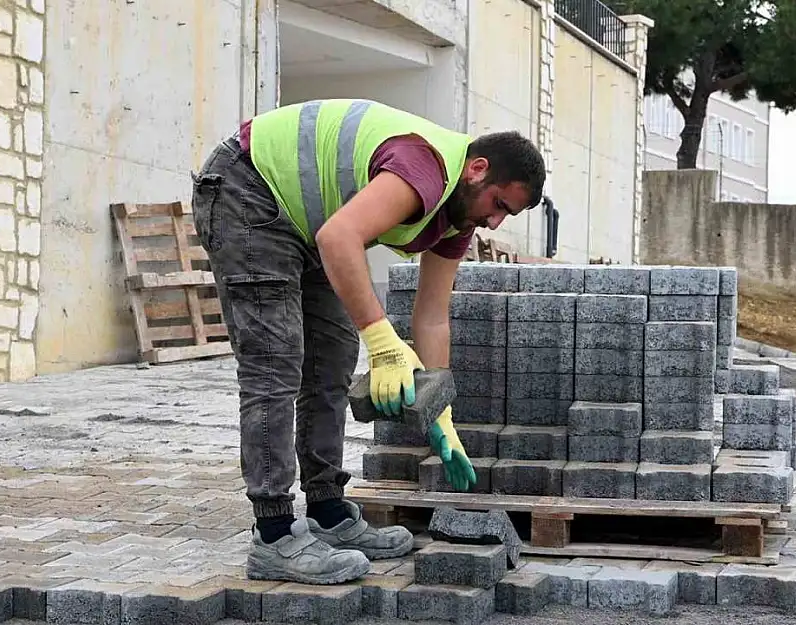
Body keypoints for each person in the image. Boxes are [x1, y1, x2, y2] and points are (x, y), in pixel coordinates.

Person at [190, 98, 546, 585]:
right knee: (276, 363)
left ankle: (327, 513)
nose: (495, 222)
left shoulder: (456, 216)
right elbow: (340, 238)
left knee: (332, 360)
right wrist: (381, 339)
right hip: (247, 188)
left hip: (303, 222)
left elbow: (432, 317)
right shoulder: (427, 169)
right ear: (477, 170)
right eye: (499, 205)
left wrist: (439, 410)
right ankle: (273, 534)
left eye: (509, 215)